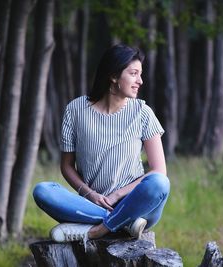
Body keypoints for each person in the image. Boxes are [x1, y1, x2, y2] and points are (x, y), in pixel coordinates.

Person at [33, 44, 170, 243]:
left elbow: (159, 170)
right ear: (113, 76)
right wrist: (89, 194)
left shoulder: (143, 113)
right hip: (93, 204)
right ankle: (122, 223)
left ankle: (96, 231)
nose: (140, 81)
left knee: (159, 183)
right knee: (42, 191)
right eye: (133, 74)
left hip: (137, 204)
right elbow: (66, 166)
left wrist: (117, 196)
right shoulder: (75, 110)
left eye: (140, 74)